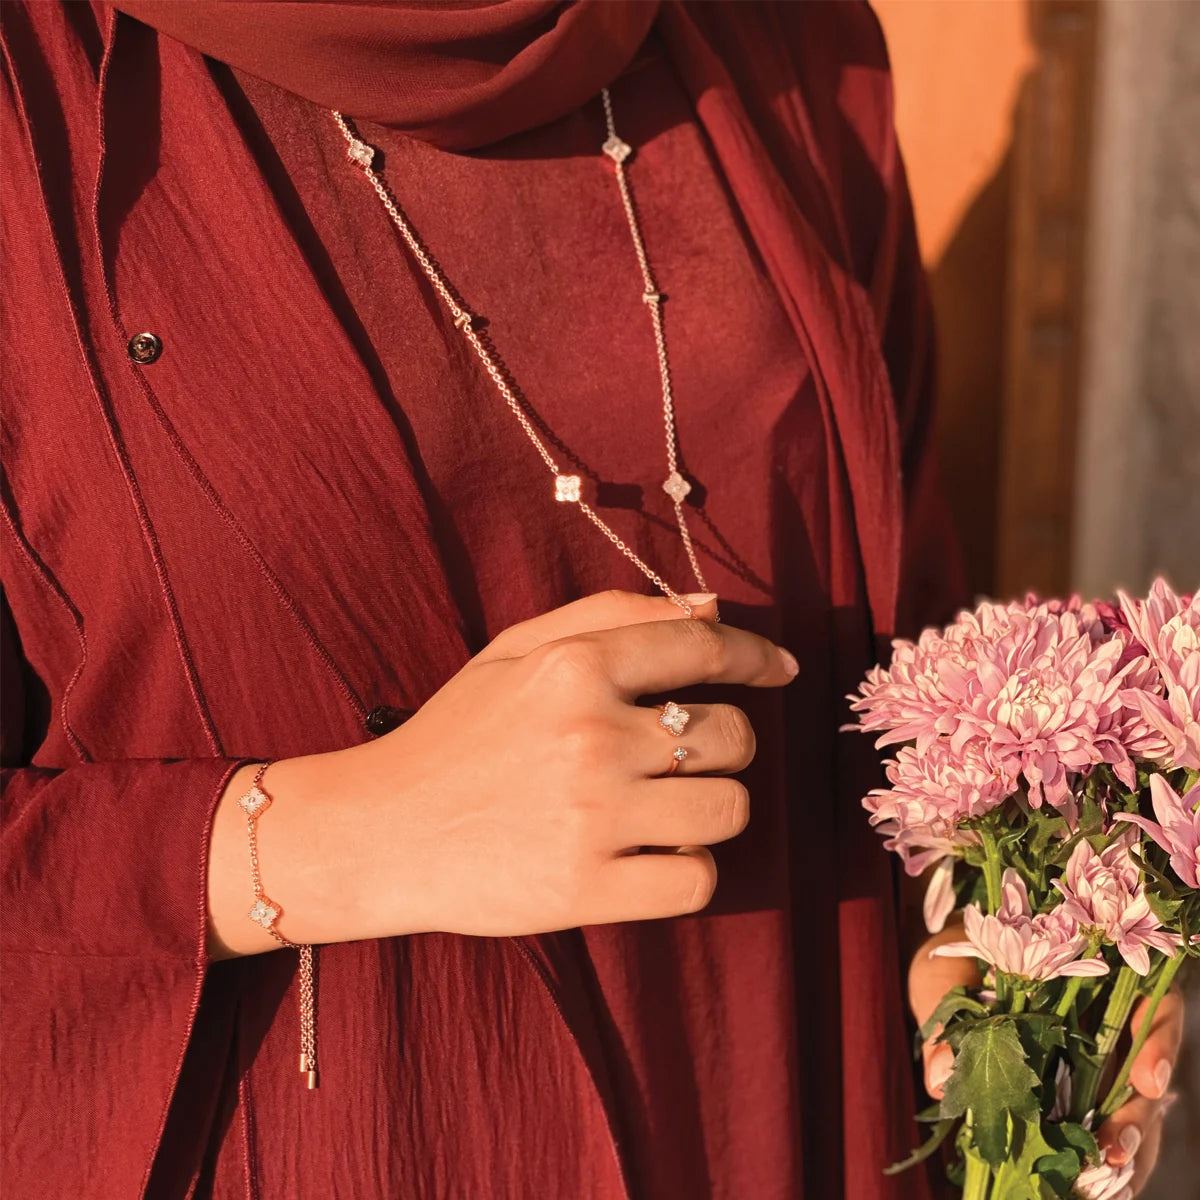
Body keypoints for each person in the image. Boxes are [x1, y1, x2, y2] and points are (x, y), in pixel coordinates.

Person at [0, 2, 1181, 1197]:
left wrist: (998, 945)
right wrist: (343, 837)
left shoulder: (790, 44)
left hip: (778, 1103)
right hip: (353, 1131)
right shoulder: (29, 87)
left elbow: (910, 659)